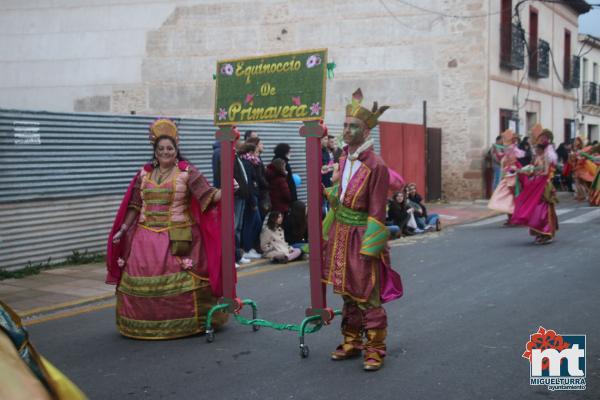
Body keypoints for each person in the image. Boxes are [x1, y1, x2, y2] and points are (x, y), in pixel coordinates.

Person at [106, 119, 228, 339]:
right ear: (155, 151)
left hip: (178, 237)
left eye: (169, 148)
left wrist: (228, 188)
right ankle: (141, 325)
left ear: (176, 150)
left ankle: (191, 322)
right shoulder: (143, 175)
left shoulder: (188, 172)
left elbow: (208, 196)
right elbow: (135, 205)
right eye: (161, 148)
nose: (165, 152)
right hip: (144, 239)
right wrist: (123, 229)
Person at [322, 89, 403, 371]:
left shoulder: (377, 166)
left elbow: (378, 210)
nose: (346, 130)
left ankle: (375, 348)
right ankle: (351, 340)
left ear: (366, 130)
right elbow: (343, 196)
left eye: (352, 126)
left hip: (362, 237)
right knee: (346, 292)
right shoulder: (344, 159)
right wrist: (332, 193)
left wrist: (372, 248)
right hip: (341, 233)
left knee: (367, 294)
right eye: (344, 125)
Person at [510, 128, 559, 245]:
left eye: (537, 148)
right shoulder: (536, 158)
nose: (535, 150)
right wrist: (522, 170)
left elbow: (546, 172)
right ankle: (539, 232)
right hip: (535, 184)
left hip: (543, 186)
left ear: (542, 149)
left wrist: (535, 171)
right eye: (535, 148)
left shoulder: (546, 157)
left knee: (544, 209)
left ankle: (547, 233)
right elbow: (532, 170)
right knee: (535, 208)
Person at [487, 129, 525, 222]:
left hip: (512, 175)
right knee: (507, 197)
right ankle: (511, 217)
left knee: (512, 197)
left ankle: (514, 217)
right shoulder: (508, 149)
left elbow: (508, 160)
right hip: (507, 175)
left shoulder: (511, 149)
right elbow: (501, 157)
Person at [239, 142, 263, 260]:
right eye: (257, 152)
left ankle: (250, 247)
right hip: (251, 198)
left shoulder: (252, 163)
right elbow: (249, 184)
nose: (258, 155)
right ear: (251, 153)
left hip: (253, 196)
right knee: (251, 224)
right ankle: (247, 248)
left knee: (256, 223)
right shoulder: (247, 164)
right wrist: (252, 201)